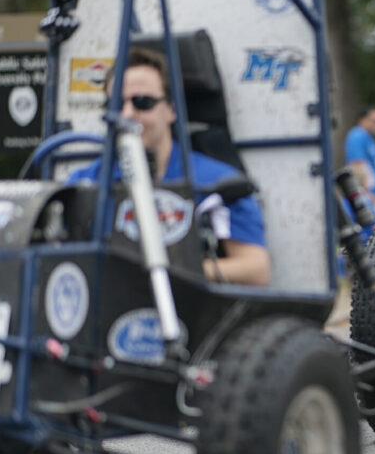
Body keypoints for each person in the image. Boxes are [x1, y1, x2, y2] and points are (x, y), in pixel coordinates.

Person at [68, 47, 271, 286]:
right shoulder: (84, 183)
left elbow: (257, 270)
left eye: (142, 102)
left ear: (171, 110)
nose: (127, 114)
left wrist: (174, 270)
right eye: (116, 105)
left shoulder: (219, 183)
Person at [344, 106, 375, 216]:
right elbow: (357, 165)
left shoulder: (369, 138)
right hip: (366, 195)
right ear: (363, 120)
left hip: (374, 194)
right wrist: (365, 193)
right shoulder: (357, 136)